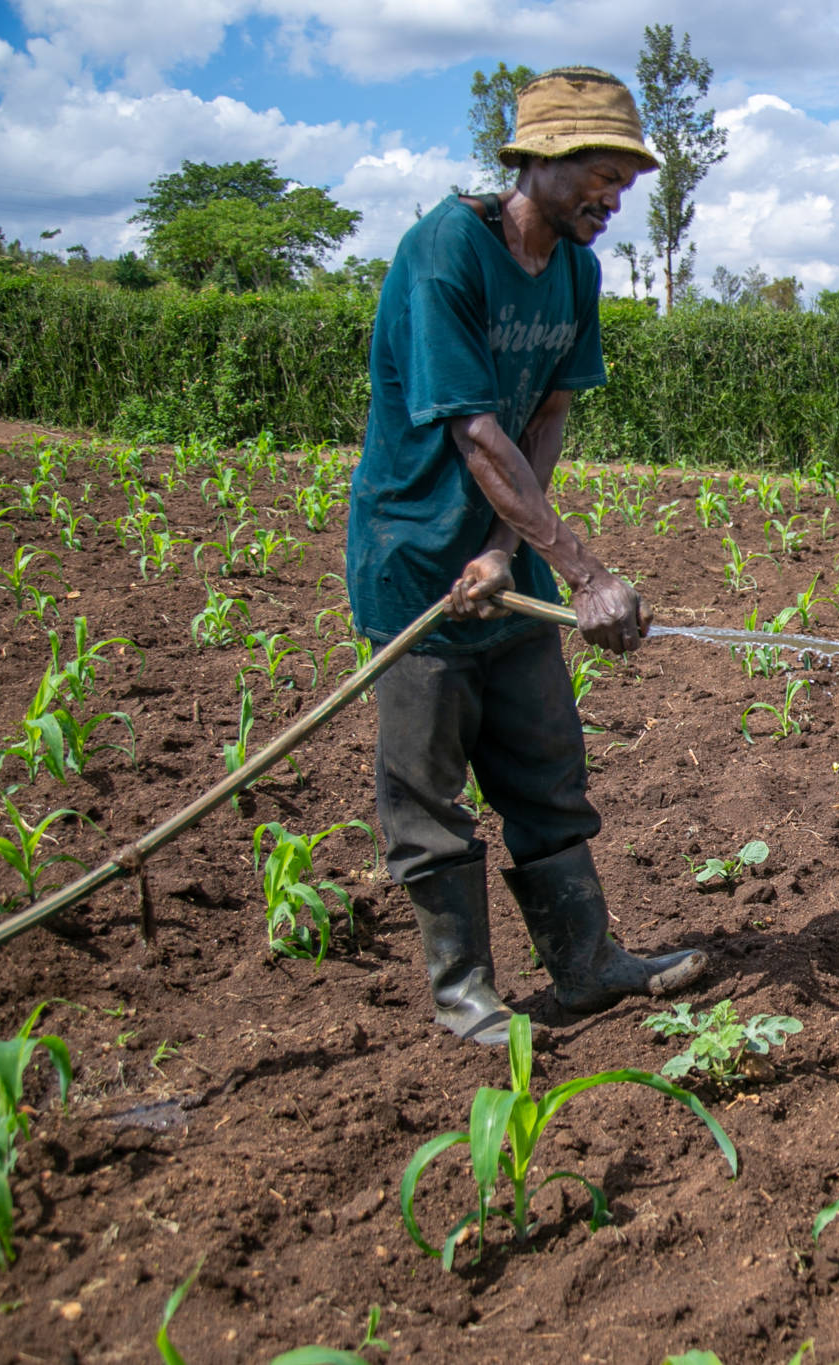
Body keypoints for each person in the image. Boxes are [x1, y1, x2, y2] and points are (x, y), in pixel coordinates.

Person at [348, 66, 705, 1045]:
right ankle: (466, 998)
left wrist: (510, 546)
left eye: (625, 182)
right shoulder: (446, 253)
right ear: (538, 158)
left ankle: (586, 966)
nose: (613, 196)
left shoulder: (577, 275)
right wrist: (588, 573)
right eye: (599, 172)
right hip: (415, 556)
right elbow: (474, 432)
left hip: (502, 562)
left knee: (546, 766)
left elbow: (542, 416)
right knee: (427, 794)